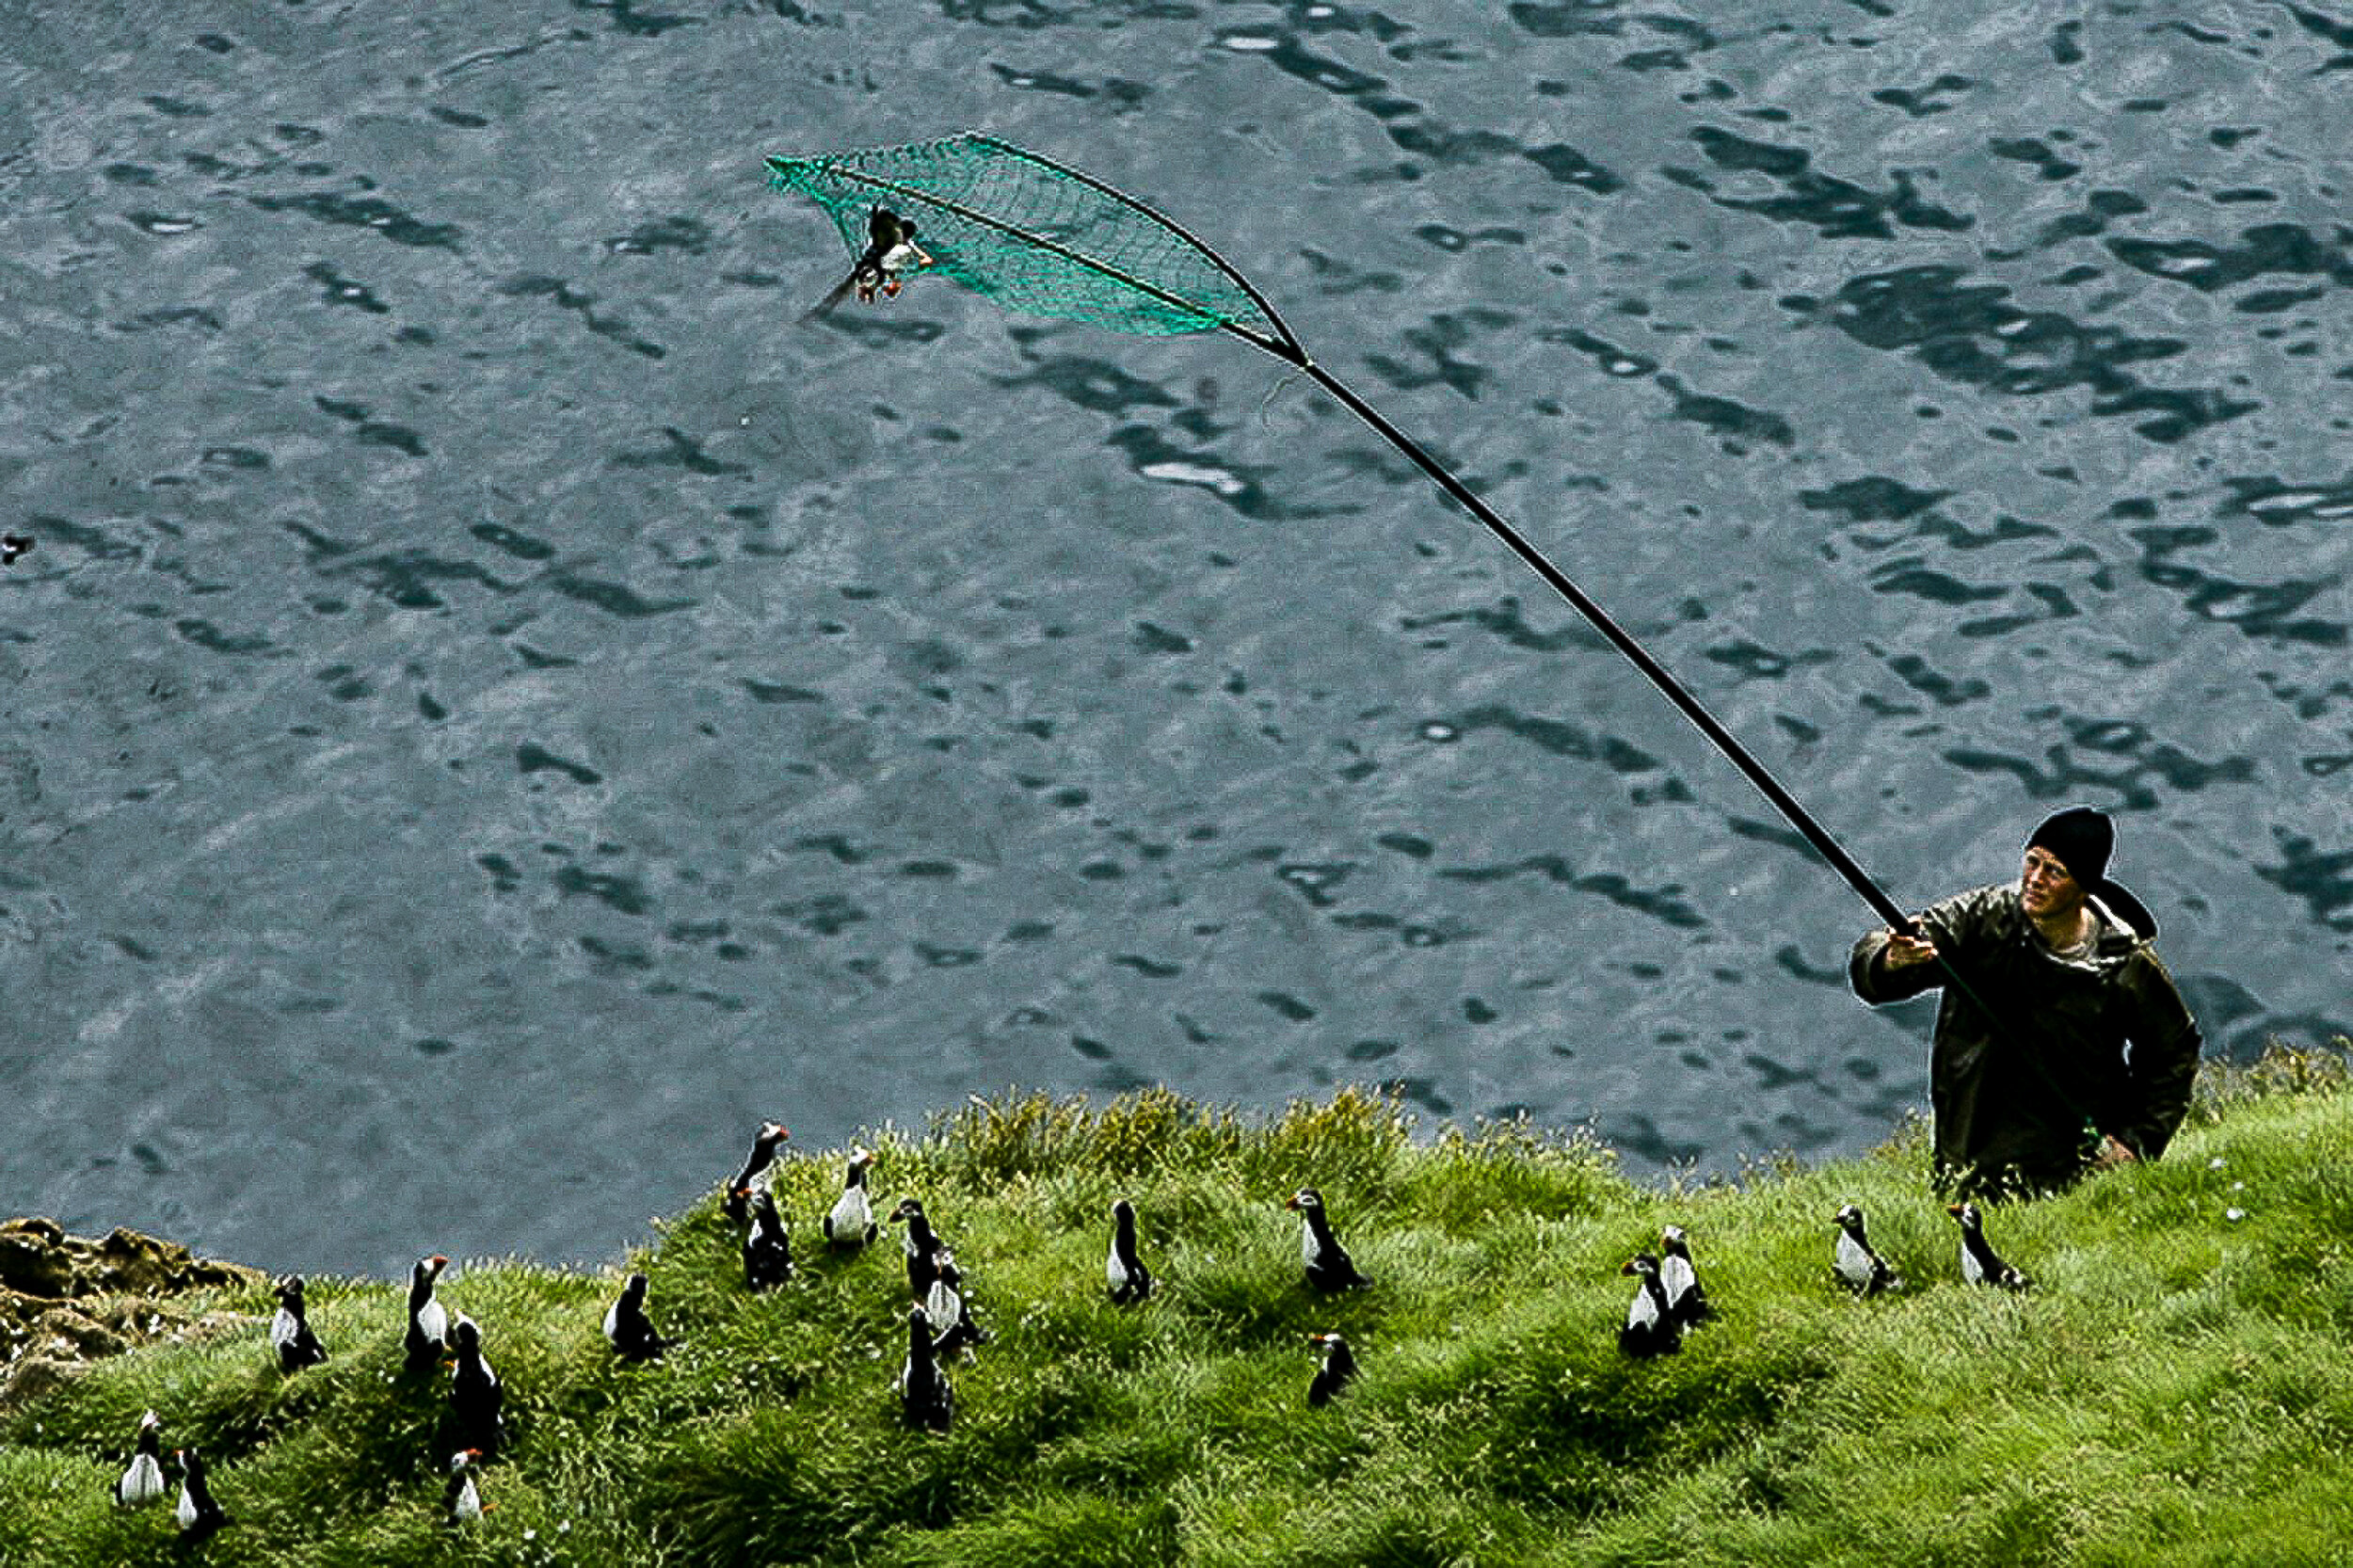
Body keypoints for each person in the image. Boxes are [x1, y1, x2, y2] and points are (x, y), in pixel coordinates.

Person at [1849, 806, 2201, 1199]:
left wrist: (2136, 1142)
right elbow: (1891, 959)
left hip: (2071, 1160)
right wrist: (1892, 959)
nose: (2034, 880)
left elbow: (2173, 1052)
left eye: (2055, 871)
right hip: (1969, 1136)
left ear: (2084, 889)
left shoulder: (2124, 967)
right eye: (2032, 861)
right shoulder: (1982, 919)